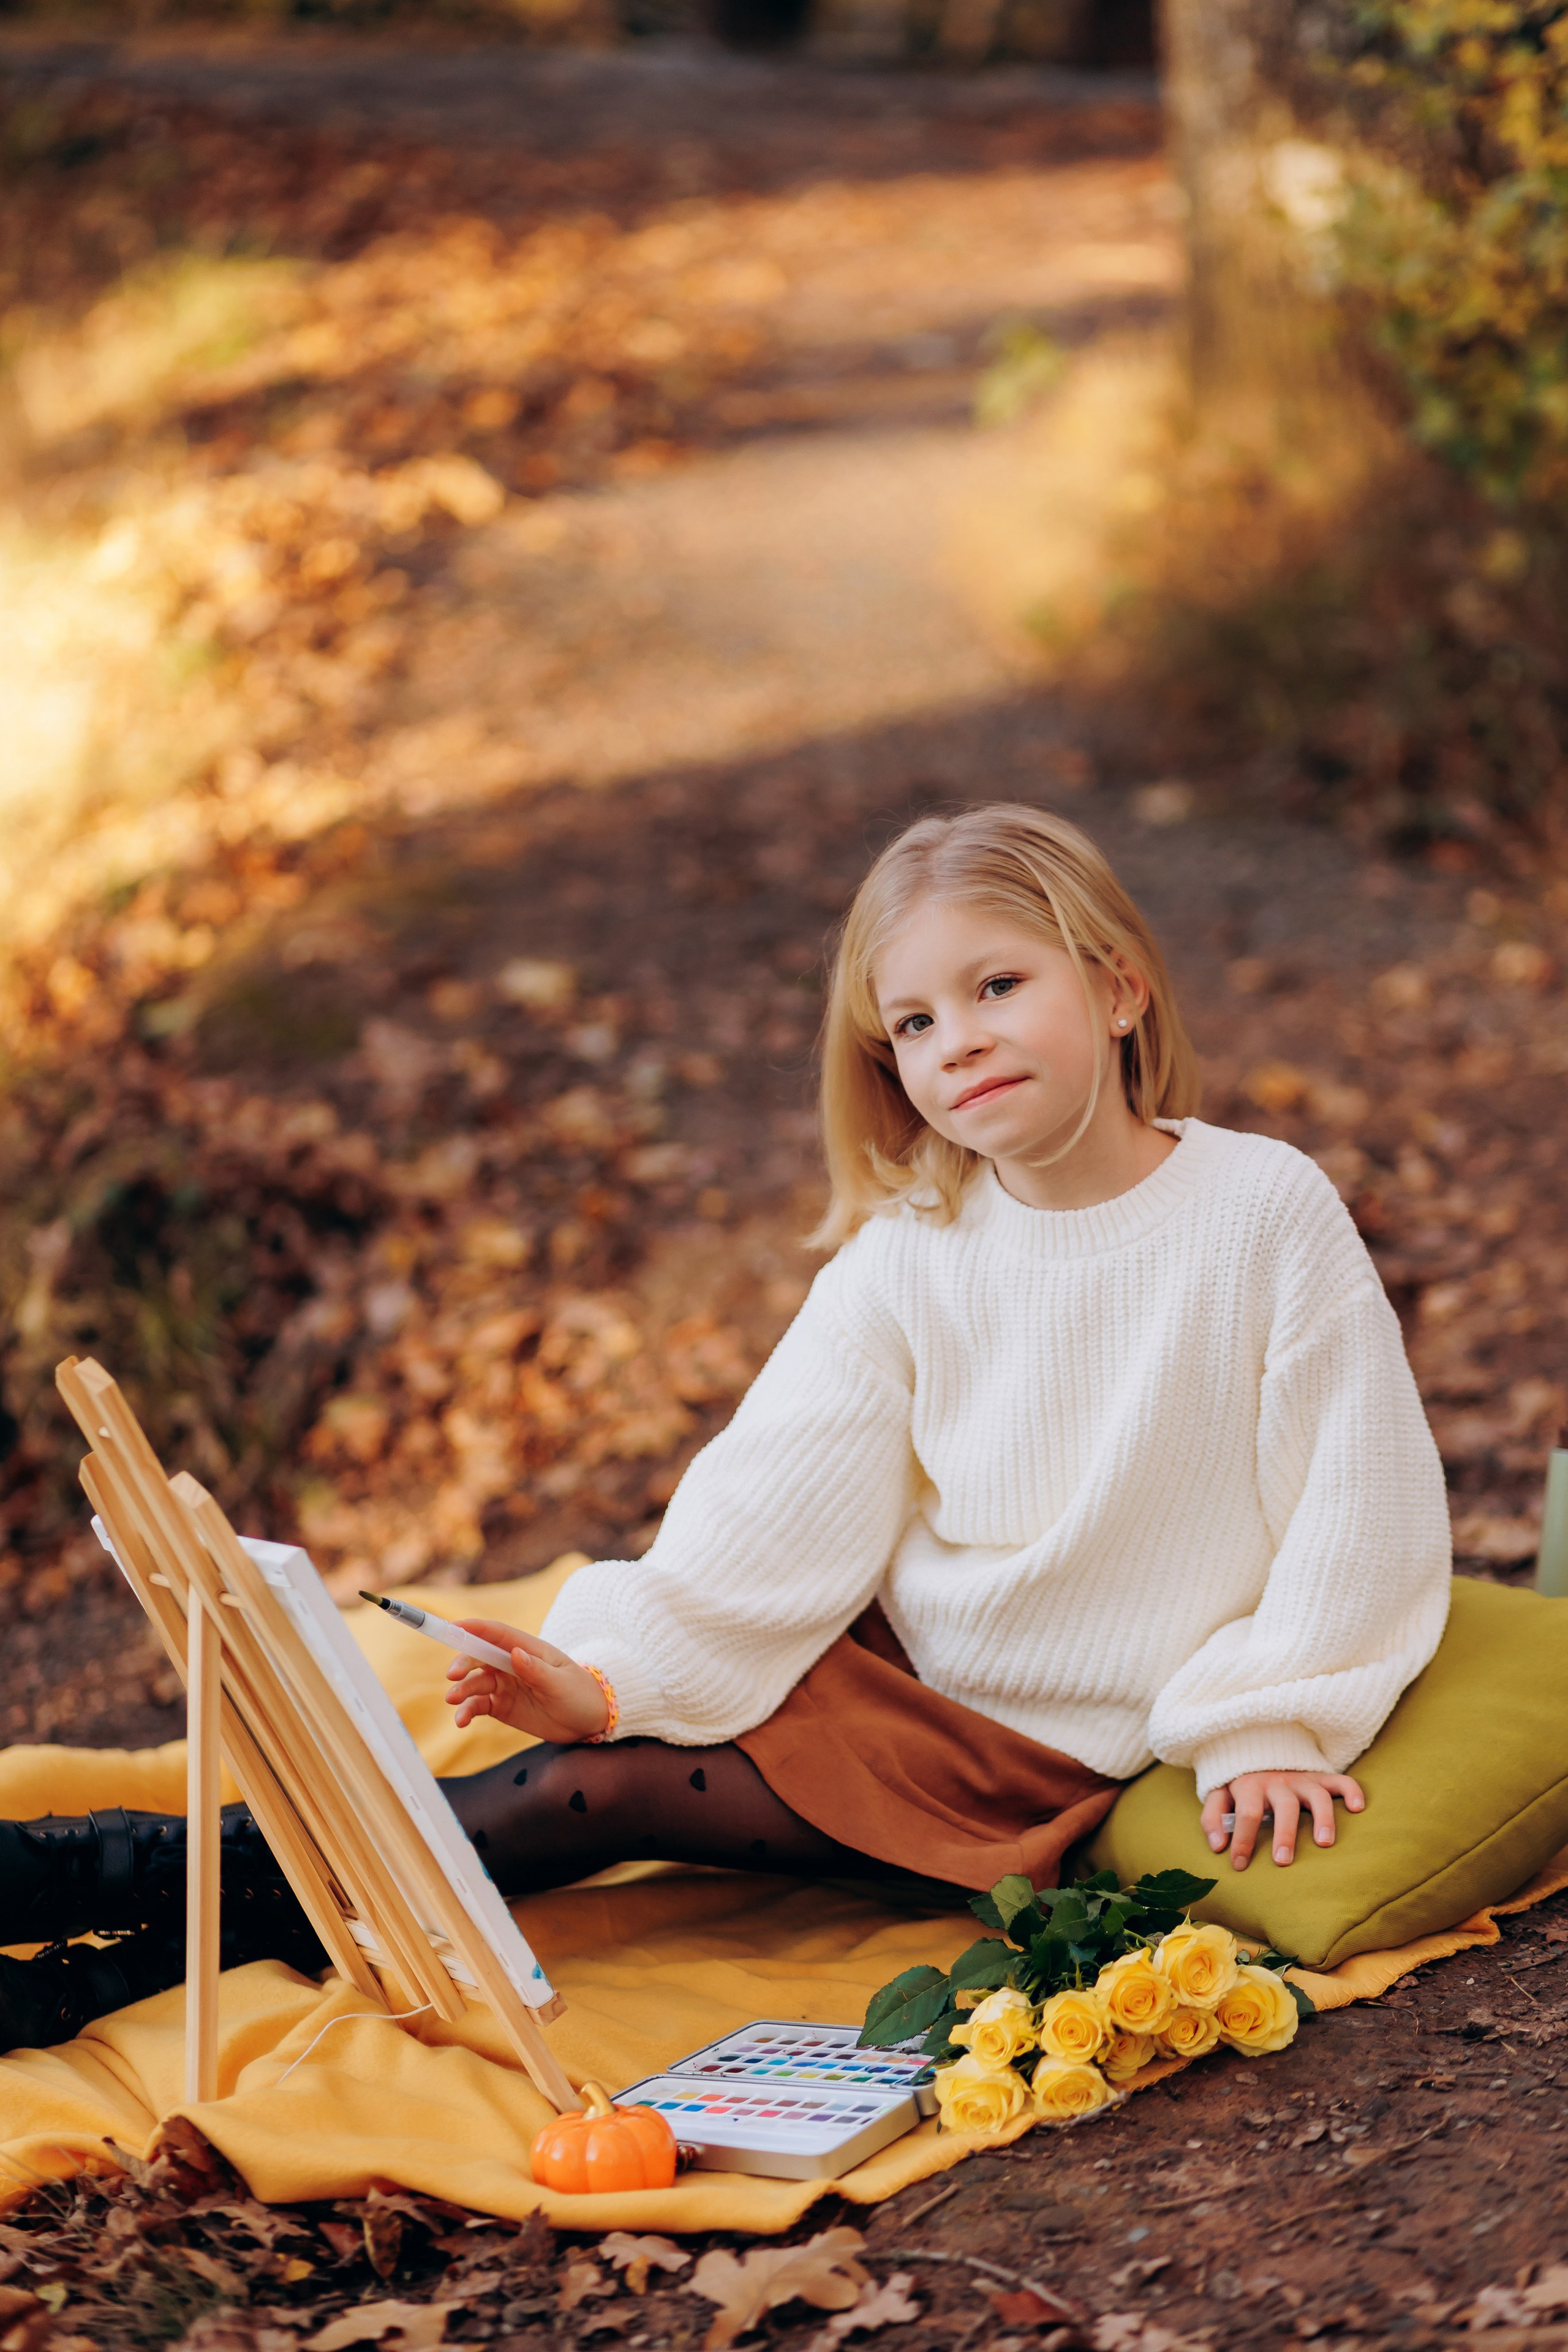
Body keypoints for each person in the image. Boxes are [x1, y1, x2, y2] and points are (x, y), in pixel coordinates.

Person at [0, 807, 1452, 2051]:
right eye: (916, 1024)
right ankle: (110, 1930)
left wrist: (1266, 1719)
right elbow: (774, 1502)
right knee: (570, 1769)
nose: (959, 1043)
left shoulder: (1260, 1212)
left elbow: (1352, 1491)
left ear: (1121, 990)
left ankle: (109, 1903)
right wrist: (618, 1671)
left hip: (1029, 1751)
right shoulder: (914, 1249)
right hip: (900, 1670)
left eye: (997, 985)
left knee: (578, 1797)